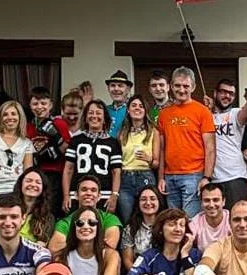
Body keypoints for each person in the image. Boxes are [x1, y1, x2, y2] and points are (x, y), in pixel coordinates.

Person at [155, 67, 216, 216]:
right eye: (177, 85)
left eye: (186, 86)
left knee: (190, 221)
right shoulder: (164, 114)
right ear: (171, 86)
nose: (181, 90)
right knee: (173, 221)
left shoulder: (203, 111)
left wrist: (206, 177)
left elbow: (210, 148)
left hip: (194, 175)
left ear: (193, 87)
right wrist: (161, 177)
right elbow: (162, 148)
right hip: (170, 176)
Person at [62, 99, 123, 213]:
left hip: (104, 195)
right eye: (90, 113)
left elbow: (116, 171)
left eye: (98, 113)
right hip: (77, 194)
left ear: (105, 119)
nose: (94, 116)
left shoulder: (113, 143)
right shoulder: (76, 140)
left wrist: (114, 195)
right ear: (85, 117)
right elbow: (68, 169)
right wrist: (66, 195)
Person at [26, 86, 72, 215]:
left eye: (43, 103)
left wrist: (56, 136)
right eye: (35, 104)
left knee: (52, 209)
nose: (39, 107)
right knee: (36, 209)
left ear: (50, 105)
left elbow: (68, 150)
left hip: (56, 173)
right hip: (36, 173)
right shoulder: (28, 127)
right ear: (30, 106)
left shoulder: (59, 123)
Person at [210, 79, 247, 208]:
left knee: (236, 215)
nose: (227, 96)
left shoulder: (235, 113)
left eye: (231, 94)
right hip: (212, 179)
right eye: (223, 92)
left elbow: (246, 114)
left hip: (234, 177)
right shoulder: (206, 115)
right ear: (215, 93)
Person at [50, 175, 123, 251]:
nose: (88, 193)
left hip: (101, 257)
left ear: (99, 196)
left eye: (93, 190)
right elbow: (54, 248)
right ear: (76, 195)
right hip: (73, 258)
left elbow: (110, 244)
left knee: (113, 255)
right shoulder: (65, 222)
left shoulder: (110, 218)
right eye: (84, 189)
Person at [117, 95, 158, 226]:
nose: (137, 108)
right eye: (134, 105)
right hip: (125, 178)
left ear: (145, 111)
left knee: (148, 218)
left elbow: (157, 163)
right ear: (128, 110)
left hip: (145, 176)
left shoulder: (153, 131)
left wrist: (149, 159)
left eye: (141, 106)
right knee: (127, 219)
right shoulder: (122, 133)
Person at [121, 185, 167, 269]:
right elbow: (128, 261)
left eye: (152, 199)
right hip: (139, 273)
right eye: (143, 199)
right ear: (138, 203)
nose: (148, 203)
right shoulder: (130, 229)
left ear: (159, 202)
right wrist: (139, 274)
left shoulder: (167, 226)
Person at [14, 169, 55, 245]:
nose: (33, 185)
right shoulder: (6, 209)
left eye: (38, 182)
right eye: (28, 181)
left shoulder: (47, 217)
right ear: (20, 184)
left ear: (43, 188)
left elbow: (40, 246)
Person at [190, 183, 231, 250]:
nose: (211, 205)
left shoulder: (231, 219)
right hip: (204, 256)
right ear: (201, 203)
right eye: (207, 200)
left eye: (215, 200)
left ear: (223, 201)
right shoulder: (195, 222)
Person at [104, 70, 133, 136]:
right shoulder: (104, 110)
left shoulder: (134, 110)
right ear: (108, 89)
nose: (116, 89)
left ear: (128, 89)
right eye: (113, 85)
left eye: (120, 85)